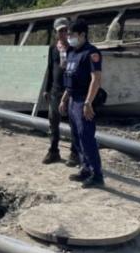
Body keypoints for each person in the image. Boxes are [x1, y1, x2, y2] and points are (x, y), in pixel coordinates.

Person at [59, 19, 104, 188]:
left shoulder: (91, 53)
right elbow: (70, 80)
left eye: (72, 35)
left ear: (82, 35)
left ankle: (97, 175)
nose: (69, 37)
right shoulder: (71, 53)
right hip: (72, 100)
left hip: (84, 101)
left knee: (87, 138)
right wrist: (64, 99)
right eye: (68, 34)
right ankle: (85, 169)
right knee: (77, 137)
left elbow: (96, 79)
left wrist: (88, 102)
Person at [42, 17, 80, 166]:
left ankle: (74, 153)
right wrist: (47, 89)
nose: (64, 33)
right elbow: (51, 69)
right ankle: (53, 151)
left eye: (66, 30)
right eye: (61, 31)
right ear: (56, 33)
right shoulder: (52, 49)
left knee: (73, 123)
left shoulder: (74, 49)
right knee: (53, 122)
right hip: (55, 91)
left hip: (70, 91)